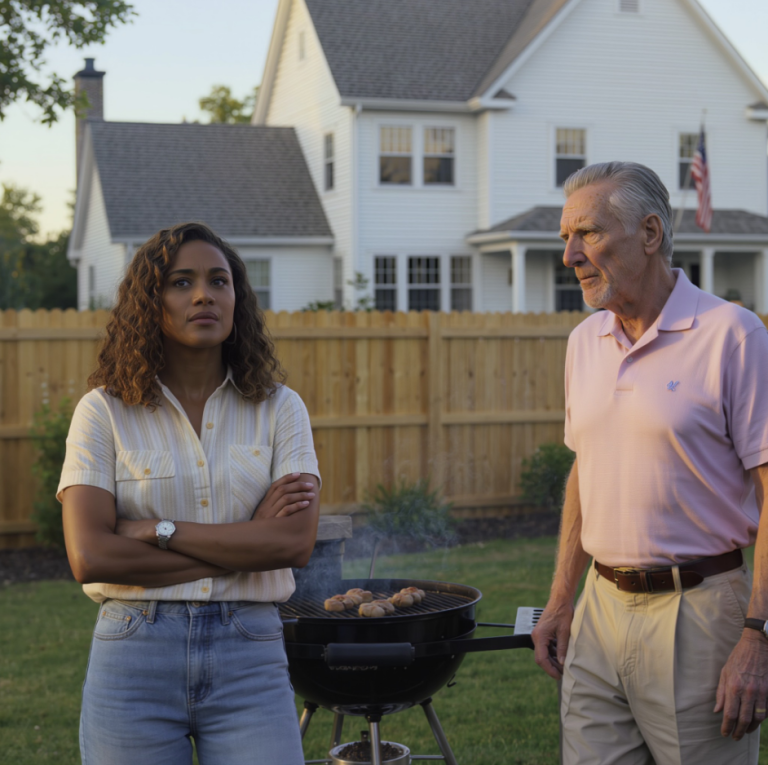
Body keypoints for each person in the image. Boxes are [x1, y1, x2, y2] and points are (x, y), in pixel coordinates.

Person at [531, 162, 768, 764]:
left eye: (588, 233)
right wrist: (562, 600)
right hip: (599, 613)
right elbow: (587, 472)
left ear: (651, 233)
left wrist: (758, 637)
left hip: (701, 614)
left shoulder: (731, 335)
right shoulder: (584, 343)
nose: (570, 255)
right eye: (565, 238)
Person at [58, 221, 320, 765]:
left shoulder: (280, 408)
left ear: (236, 299)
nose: (203, 294)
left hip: (249, 652)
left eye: (218, 281)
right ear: (150, 302)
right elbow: (91, 556)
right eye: (181, 282)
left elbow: (293, 543)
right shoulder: (104, 411)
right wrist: (246, 544)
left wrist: (157, 532)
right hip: (134, 653)